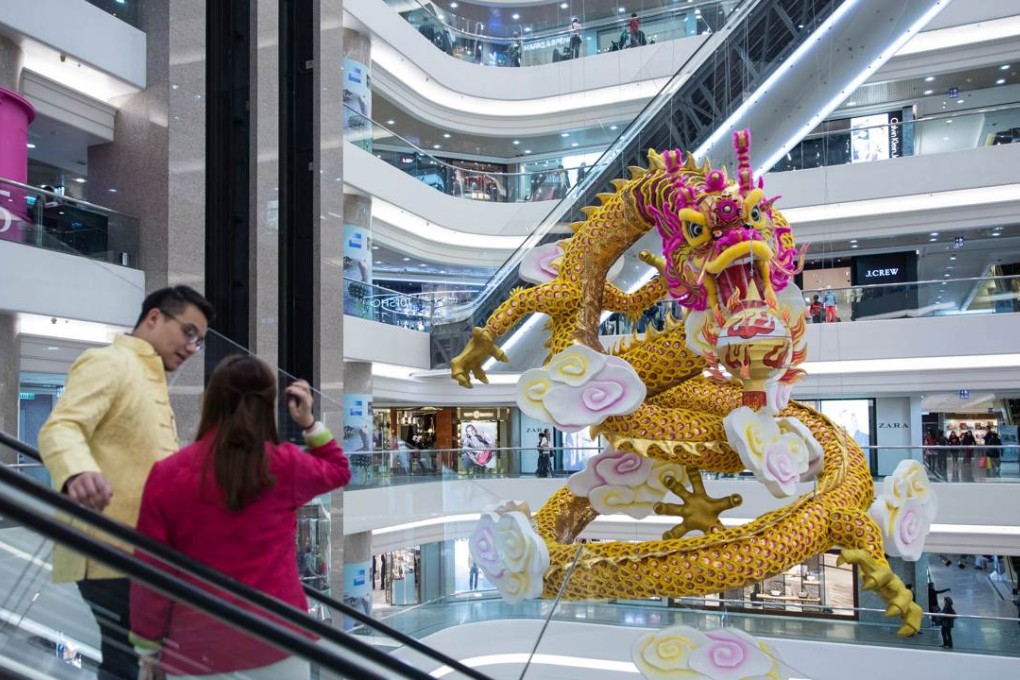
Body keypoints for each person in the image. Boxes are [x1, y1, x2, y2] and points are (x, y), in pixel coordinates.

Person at [129, 355, 351, 678]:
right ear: (268, 406)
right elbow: (338, 471)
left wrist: (147, 651)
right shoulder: (283, 465)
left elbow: (151, 572)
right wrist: (308, 423)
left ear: (212, 400)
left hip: (194, 649)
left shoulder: (166, 475)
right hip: (278, 640)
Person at [38, 285, 213, 680]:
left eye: (198, 341)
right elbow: (62, 426)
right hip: (111, 551)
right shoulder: (111, 362)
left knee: (141, 664)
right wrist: (78, 471)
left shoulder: (149, 377)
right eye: (188, 332)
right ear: (154, 318)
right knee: (131, 664)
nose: (191, 347)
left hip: (140, 553)